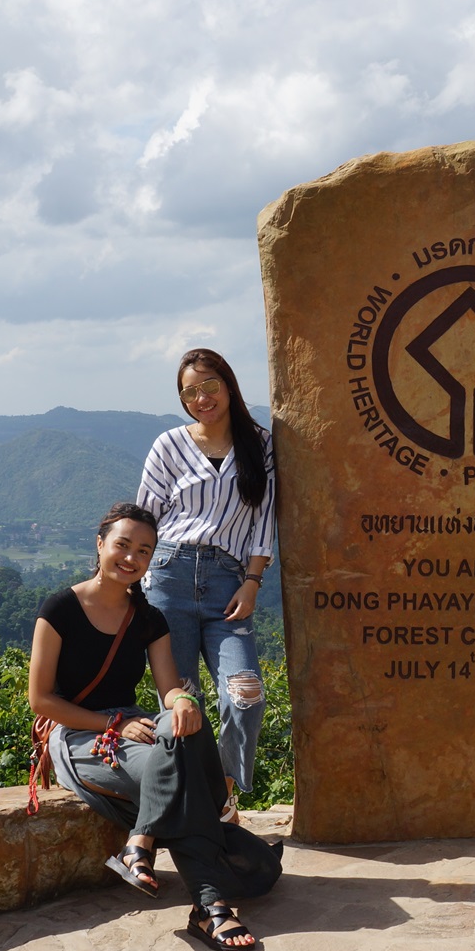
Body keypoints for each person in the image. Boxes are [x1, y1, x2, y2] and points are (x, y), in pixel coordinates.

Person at [29, 501, 281, 951]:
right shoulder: (61, 609)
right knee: (186, 774)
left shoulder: (149, 618)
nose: (131, 558)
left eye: (144, 551)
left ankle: (141, 841)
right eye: (122, 546)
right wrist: (113, 722)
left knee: (187, 720)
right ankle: (210, 904)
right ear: (100, 544)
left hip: (137, 727)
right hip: (80, 735)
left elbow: (169, 690)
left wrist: (183, 699)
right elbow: (42, 700)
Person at [136, 348, 276, 824]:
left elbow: (264, 520)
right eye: (190, 391)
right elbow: (145, 520)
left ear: (229, 385)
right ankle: (201, 808)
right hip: (168, 578)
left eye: (209, 385)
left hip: (228, 584)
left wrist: (253, 580)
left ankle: (225, 791)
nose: (202, 398)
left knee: (246, 694)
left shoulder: (260, 444)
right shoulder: (169, 445)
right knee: (183, 704)